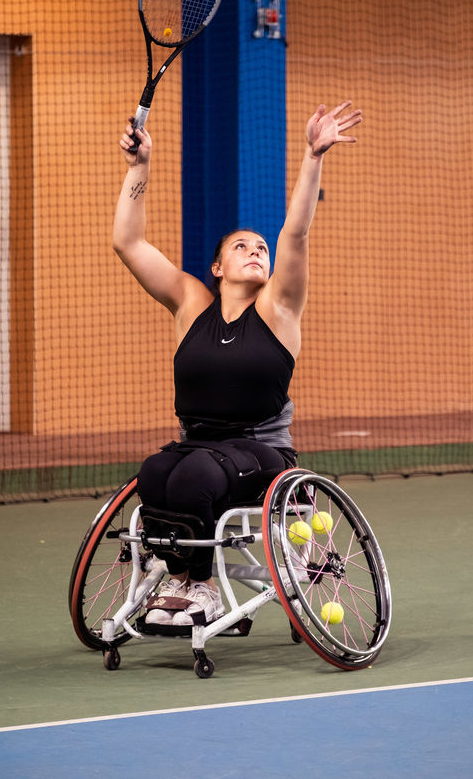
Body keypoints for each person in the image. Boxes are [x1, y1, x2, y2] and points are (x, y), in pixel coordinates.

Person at [114, 100, 362, 628]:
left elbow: (295, 234)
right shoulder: (191, 304)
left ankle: (202, 590)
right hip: (198, 445)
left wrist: (313, 156)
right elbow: (128, 243)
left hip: (262, 454)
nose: (256, 251)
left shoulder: (279, 309)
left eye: (261, 248)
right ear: (216, 267)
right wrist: (140, 167)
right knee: (155, 471)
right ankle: (178, 578)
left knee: (195, 475)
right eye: (241, 247)